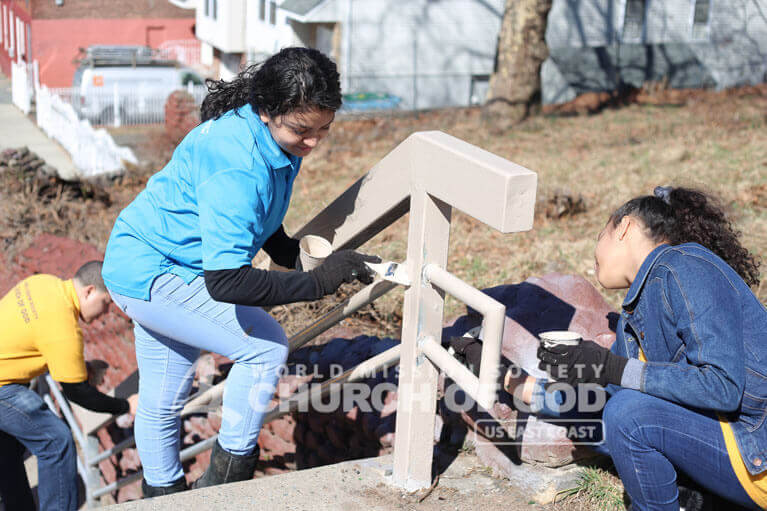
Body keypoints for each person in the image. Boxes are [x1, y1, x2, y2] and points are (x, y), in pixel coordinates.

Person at [102, 47, 379, 497]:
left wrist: (288, 250)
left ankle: (164, 500)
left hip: (156, 259)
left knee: (162, 401)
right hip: (154, 272)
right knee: (265, 348)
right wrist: (320, 282)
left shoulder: (268, 135)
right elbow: (228, 282)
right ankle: (222, 490)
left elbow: (254, 213)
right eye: (302, 131)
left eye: (324, 130)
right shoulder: (234, 161)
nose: (312, 143)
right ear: (267, 111)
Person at [450, 186, 766, 510]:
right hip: (738, 458)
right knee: (607, 420)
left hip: (757, 448)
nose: (594, 254)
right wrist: (497, 371)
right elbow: (590, 406)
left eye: (601, 234)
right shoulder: (635, 321)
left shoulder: (683, 266)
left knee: (628, 414)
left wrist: (610, 368)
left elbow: (723, 387)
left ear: (624, 227)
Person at [0, 261, 138, 511]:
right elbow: (78, 393)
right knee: (56, 440)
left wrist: (77, 366)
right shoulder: (65, 326)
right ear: (89, 292)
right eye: (106, 303)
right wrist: (125, 405)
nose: (105, 313)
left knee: (7, 459)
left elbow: (39, 339)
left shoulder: (43, 283)